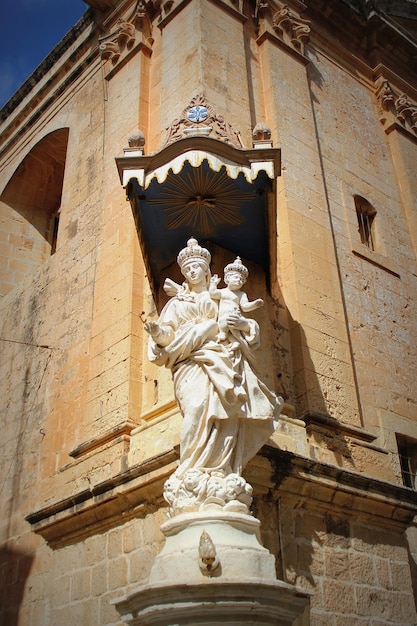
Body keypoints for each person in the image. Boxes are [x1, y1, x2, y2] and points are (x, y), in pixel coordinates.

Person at [144, 238, 283, 512]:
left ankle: (220, 470)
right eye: (189, 268)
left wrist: (243, 323)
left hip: (220, 360)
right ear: (184, 273)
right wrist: (157, 333)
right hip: (189, 362)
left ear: (206, 271)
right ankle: (191, 468)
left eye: (198, 266)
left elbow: (242, 321)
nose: (193, 271)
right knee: (195, 408)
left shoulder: (218, 296)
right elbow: (168, 333)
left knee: (226, 412)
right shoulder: (176, 303)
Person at [209, 256, 264, 342]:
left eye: (241, 279)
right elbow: (212, 293)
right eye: (236, 277)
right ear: (227, 279)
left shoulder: (241, 294)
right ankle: (223, 333)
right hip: (223, 316)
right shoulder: (223, 292)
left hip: (236, 315)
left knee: (234, 329)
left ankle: (235, 342)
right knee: (224, 323)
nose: (239, 280)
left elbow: (245, 307)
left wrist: (255, 304)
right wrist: (213, 284)